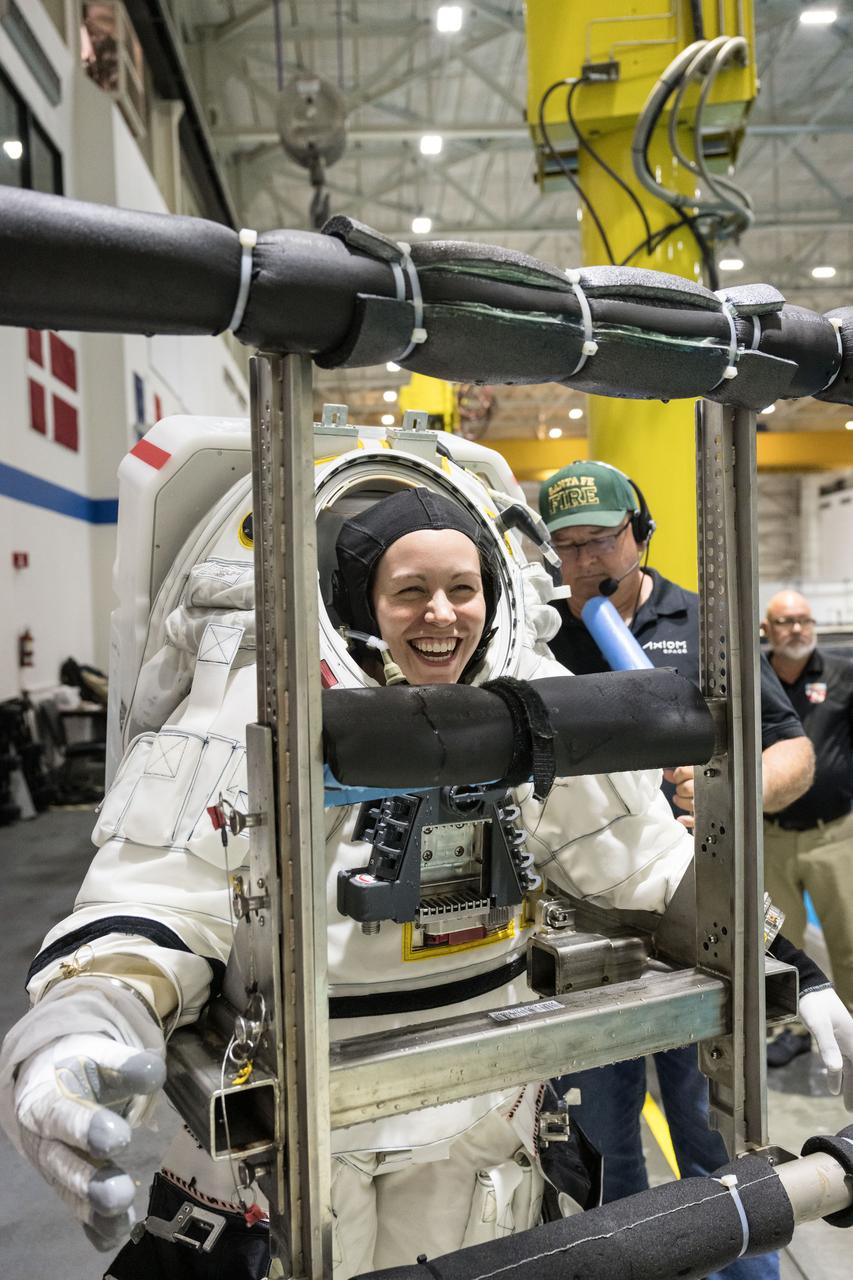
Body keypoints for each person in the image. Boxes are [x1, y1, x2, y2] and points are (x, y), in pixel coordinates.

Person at [0, 480, 711, 1279]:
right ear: (357, 602)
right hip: (307, 1125)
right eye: (409, 593)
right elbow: (155, 903)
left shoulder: (525, 703)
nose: (440, 614)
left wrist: (790, 964)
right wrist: (85, 1021)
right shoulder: (261, 708)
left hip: (485, 1117)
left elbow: (643, 861)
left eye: (461, 589)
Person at [537, 460, 818, 1280]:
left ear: (640, 534)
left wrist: (732, 790)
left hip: (701, 911)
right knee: (602, 1142)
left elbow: (791, 749)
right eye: (566, 549)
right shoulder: (543, 640)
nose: (585, 563)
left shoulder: (704, 623)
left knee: (712, 1134)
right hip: (586, 928)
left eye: (599, 542)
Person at [762, 589, 853, 1067]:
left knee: (849, 942)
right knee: (781, 945)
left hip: (833, 835)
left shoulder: (843, 673)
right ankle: (793, 1030)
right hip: (771, 838)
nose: (796, 628)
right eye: (784, 621)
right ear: (766, 630)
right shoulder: (753, 678)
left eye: (803, 619)